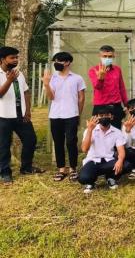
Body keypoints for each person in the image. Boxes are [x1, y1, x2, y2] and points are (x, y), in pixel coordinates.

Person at [0, 46, 43, 184]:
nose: (15, 60)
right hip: (3, 116)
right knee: (4, 145)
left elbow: (26, 92)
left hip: (21, 115)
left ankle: (26, 167)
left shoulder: (19, 74)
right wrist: (9, 80)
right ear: (2, 59)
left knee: (31, 140)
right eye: (12, 58)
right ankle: (5, 173)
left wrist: (28, 111)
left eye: (16, 57)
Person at [43, 52, 86, 182]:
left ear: (67, 62)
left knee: (71, 141)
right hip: (55, 115)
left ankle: (73, 168)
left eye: (59, 61)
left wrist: (78, 114)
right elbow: (51, 97)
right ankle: (61, 169)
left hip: (71, 114)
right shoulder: (52, 78)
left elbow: (81, 98)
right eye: (55, 61)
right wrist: (46, 84)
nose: (56, 63)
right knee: (58, 142)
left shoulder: (77, 78)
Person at [78, 105, 130, 193]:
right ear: (97, 117)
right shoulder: (90, 130)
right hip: (93, 161)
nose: (104, 117)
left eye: (107, 115)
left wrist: (120, 160)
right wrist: (90, 130)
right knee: (84, 178)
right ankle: (91, 182)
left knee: (126, 165)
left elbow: (121, 150)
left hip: (109, 161)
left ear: (111, 117)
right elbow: (84, 149)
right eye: (101, 115)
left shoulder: (117, 132)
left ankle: (111, 178)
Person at [88, 45, 128, 129]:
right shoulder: (94, 70)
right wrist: (101, 79)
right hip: (100, 106)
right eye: (104, 56)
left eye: (110, 56)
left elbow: (122, 88)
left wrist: (126, 105)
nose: (107, 58)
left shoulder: (117, 69)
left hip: (116, 106)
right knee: (98, 131)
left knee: (117, 130)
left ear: (113, 56)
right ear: (99, 56)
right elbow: (97, 87)